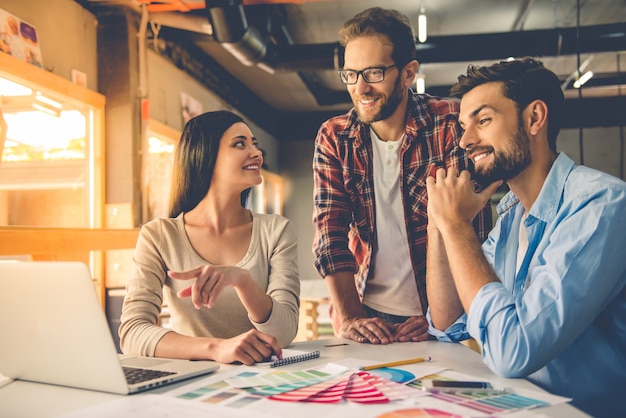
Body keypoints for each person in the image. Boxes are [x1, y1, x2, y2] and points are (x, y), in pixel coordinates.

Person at [425, 58, 626, 417]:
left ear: (534, 118)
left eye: (483, 121)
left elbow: (511, 350)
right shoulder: (511, 220)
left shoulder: (601, 205)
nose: (466, 140)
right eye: (463, 126)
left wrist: (457, 228)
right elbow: (447, 321)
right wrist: (439, 223)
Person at [312, 7, 492, 345]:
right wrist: (351, 317)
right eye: (350, 74)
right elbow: (329, 234)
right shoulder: (334, 137)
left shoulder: (452, 124)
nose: (360, 88)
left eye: (374, 73)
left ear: (408, 73)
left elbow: (473, 230)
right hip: (365, 311)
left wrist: (443, 318)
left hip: (448, 312)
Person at [120, 110, 300, 365]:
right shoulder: (158, 235)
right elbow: (132, 332)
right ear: (205, 156)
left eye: (254, 144)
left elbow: (284, 334)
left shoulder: (276, 230)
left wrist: (242, 280)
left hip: (261, 381)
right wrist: (217, 348)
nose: (257, 153)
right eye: (240, 144)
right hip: (191, 382)